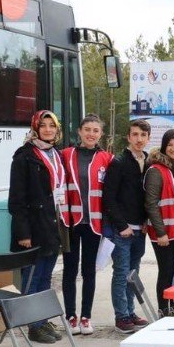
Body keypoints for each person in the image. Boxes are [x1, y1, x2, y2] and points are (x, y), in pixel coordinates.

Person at [9, 110, 69, 344]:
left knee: (46, 277)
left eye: (51, 126)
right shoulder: (24, 156)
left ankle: (42, 320)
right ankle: (33, 326)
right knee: (32, 278)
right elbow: (16, 199)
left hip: (53, 224)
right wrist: (23, 233)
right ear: (35, 128)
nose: (47, 130)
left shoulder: (56, 154)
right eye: (42, 126)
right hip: (33, 228)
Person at [60, 114, 112, 335]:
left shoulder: (107, 159)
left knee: (89, 271)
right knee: (70, 270)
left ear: (100, 134)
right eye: (87, 129)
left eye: (96, 130)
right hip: (71, 221)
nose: (91, 134)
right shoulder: (65, 155)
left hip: (94, 223)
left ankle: (86, 317)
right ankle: (70, 316)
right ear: (79, 132)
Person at [102, 119, 152, 334]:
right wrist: (121, 225)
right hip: (123, 230)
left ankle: (130, 312)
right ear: (128, 137)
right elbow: (109, 197)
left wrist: (146, 222)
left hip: (140, 229)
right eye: (135, 135)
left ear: (148, 137)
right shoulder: (119, 162)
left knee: (133, 273)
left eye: (143, 135)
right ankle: (121, 316)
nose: (139, 139)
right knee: (121, 273)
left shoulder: (149, 161)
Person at [144, 129, 174, 316]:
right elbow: (151, 204)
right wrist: (160, 232)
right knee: (165, 271)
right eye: (170, 145)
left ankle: (173, 306)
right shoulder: (156, 170)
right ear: (164, 147)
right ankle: (164, 308)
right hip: (164, 232)